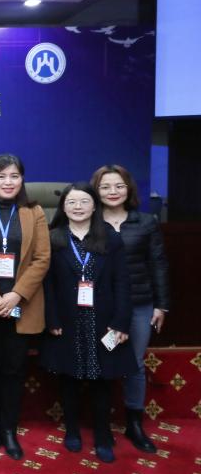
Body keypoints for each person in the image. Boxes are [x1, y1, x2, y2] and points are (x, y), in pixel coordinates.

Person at [41, 182, 135, 463]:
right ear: (63, 207)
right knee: (68, 378)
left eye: (84, 201)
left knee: (102, 380)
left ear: (95, 206)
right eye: (71, 202)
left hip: (103, 320)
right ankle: (71, 430)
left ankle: (103, 435)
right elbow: (47, 285)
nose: (78, 207)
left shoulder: (110, 238)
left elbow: (122, 282)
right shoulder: (53, 238)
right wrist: (52, 318)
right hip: (67, 319)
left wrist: (121, 322)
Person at [0, 154, 50, 460]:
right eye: (1, 176)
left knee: (15, 369)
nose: (8, 182)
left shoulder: (34, 212)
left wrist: (16, 294)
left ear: (22, 180)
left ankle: (9, 429)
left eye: (14, 176)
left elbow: (42, 258)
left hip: (21, 305)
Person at [92, 164, 170, 453]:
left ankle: (134, 423)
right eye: (105, 187)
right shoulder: (89, 220)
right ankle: (101, 423)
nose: (113, 191)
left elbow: (158, 264)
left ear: (129, 189)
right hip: (101, 307)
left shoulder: (146, 222)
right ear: (96, 191)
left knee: (134, 363)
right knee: (102, 360)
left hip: (139, 304)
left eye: (119, 186)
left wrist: (161, 305)